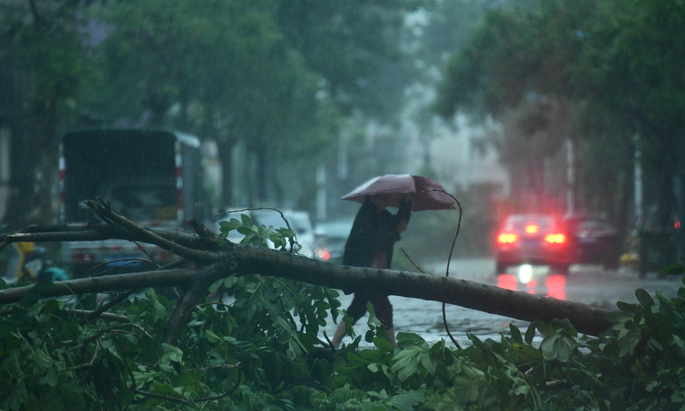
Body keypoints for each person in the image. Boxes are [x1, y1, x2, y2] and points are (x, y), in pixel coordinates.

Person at [331, 194, 411, 347]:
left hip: (374, 272)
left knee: (358, 306)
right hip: (363, 271)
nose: (386, 200)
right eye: (383, 198)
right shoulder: (366, 216)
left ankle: (334, 343)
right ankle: (393, 349)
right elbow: (373, 242)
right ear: (372, 198)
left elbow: (397, 224)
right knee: (383, 307)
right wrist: (393, 233)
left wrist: (405, 206)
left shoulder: (382, 214)